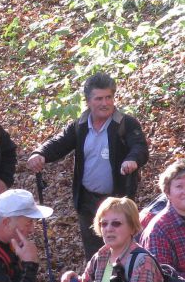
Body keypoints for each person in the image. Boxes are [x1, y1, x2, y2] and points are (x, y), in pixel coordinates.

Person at [27, 72, 150, 259]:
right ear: (88, 101)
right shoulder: (81, 125)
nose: (105, 103)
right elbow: (60, 142)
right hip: (88, 202)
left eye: (109, 97)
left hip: (118, 200)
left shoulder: (126, 124)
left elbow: (139, 146)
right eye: (99, 98)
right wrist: (40, 154)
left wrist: (132, 159)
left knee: (122, 252)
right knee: (95, 254)